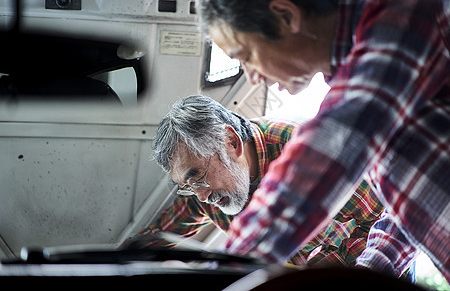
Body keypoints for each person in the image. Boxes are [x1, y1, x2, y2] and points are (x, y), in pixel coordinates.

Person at [196, 0, 449, 281]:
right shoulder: (366, 80)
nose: (253, 77)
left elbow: (335, 141)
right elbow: (408, 207)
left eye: (247, 56)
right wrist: (367, 271)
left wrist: (228, 272)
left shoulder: (407, 9)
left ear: (286, 15)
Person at [132, 94, 385, 268]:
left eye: (197, 176)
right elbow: (157, 240)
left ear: (230, 143)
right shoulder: (201, 192)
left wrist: (325, 271)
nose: (201, 196)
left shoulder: (310, 152)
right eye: (187, 185)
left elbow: (385, 218)